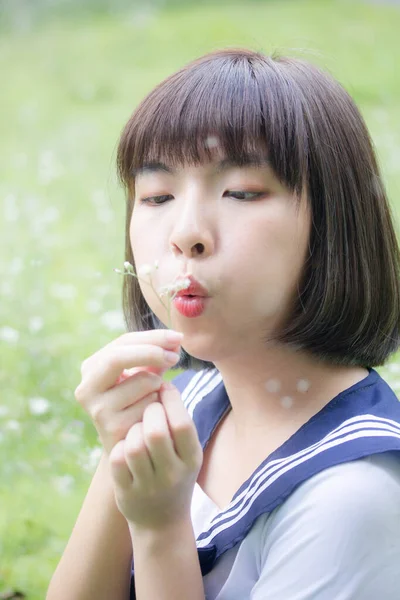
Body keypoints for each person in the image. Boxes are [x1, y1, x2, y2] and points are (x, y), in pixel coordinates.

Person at [46, 48, 400, 600]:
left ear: (334, 226)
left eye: (242, 192)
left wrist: (161, 529)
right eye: (157, 195)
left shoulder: (352, 499)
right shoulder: (196, 398)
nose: (185, 233)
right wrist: (124, 448)